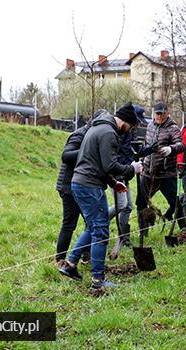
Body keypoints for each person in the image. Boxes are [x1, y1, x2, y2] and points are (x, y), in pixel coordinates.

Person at [59, 102, 142, 291]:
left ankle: (70, 265)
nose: (128, 131)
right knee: (101, 231)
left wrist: (114, 183)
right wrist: (132, 169)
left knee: (95, 225)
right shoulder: (109, 133)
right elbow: (110, 166)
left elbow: (96, 163)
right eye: (130, 127)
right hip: (89, 186)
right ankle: (98, 280)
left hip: (81, 183)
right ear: (125, 122)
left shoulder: (98, 128)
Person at [107, 105, 153, 261]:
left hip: (126, 171)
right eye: (137, 122)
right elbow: (121, 153)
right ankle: (102, 223)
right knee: (123, 206)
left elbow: (132, 152)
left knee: (126, 206)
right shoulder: (121, 131)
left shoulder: (131, 131)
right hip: (119, 172)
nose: (138, 125)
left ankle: (123, 235)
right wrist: (128, 169)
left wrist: (147, 150)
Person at [136, 102, 185, 237]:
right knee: (140, 202)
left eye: (162, 114)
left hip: (166, 174)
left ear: (167, 113)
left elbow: (181, 145)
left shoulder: (173, 128)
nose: (159, 116)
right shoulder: (150, 126)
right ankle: (143, 232)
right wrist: (143, 161)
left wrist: (171, 149)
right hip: (148, 172)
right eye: (157, 114)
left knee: (175, 204)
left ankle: (184, 230)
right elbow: (147, 146)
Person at [55, 120, 93, 268]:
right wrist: (87, 150)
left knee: (90, 222)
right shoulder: (78, 135)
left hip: (82, 185)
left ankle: (85, 254)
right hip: (68, 186)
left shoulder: (90, 134)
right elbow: (66, 156)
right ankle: (59, 259)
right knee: (69, 224)